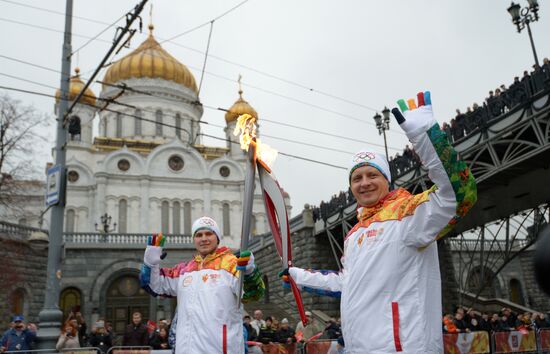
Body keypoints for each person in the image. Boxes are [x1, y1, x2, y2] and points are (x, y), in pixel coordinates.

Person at [281, 91, 477, 352]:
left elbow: (459, 194)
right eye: (357, 178)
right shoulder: (354, 234)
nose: (364, 183)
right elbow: (346, 283)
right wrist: (298, 276)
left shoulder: (408, 213)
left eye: (372, 175)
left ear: (387, 179)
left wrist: (425, 137)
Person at [140, 216, 265, 353]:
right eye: (199, 235)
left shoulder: (232, 264)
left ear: (217, 237)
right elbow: (154, 285)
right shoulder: (184, 270)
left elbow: (253, 294)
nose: (204, 239)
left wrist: (249, 272)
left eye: (208, 234)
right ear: (194, 240)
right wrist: (150, 264)